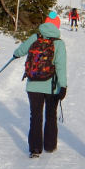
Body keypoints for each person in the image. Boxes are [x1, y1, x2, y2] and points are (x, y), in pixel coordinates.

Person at [13, 11, 67, 158]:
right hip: (52, 86)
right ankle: (50, 145)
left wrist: (15, 55)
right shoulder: (58, 43)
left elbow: (20, 51)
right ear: (57, 26)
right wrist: (63, 86)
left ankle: (35, 149)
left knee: (35, 116)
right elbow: (61, 66)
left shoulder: (35, 37)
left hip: (33, 85)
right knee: (51, 114)